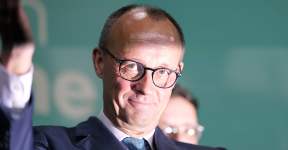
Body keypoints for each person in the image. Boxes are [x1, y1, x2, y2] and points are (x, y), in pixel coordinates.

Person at [0, 0, 224, 149]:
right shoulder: (47, 144)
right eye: (132, 66)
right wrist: (17, 64)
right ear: (99, 62)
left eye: (164, 71)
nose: (146, 87)